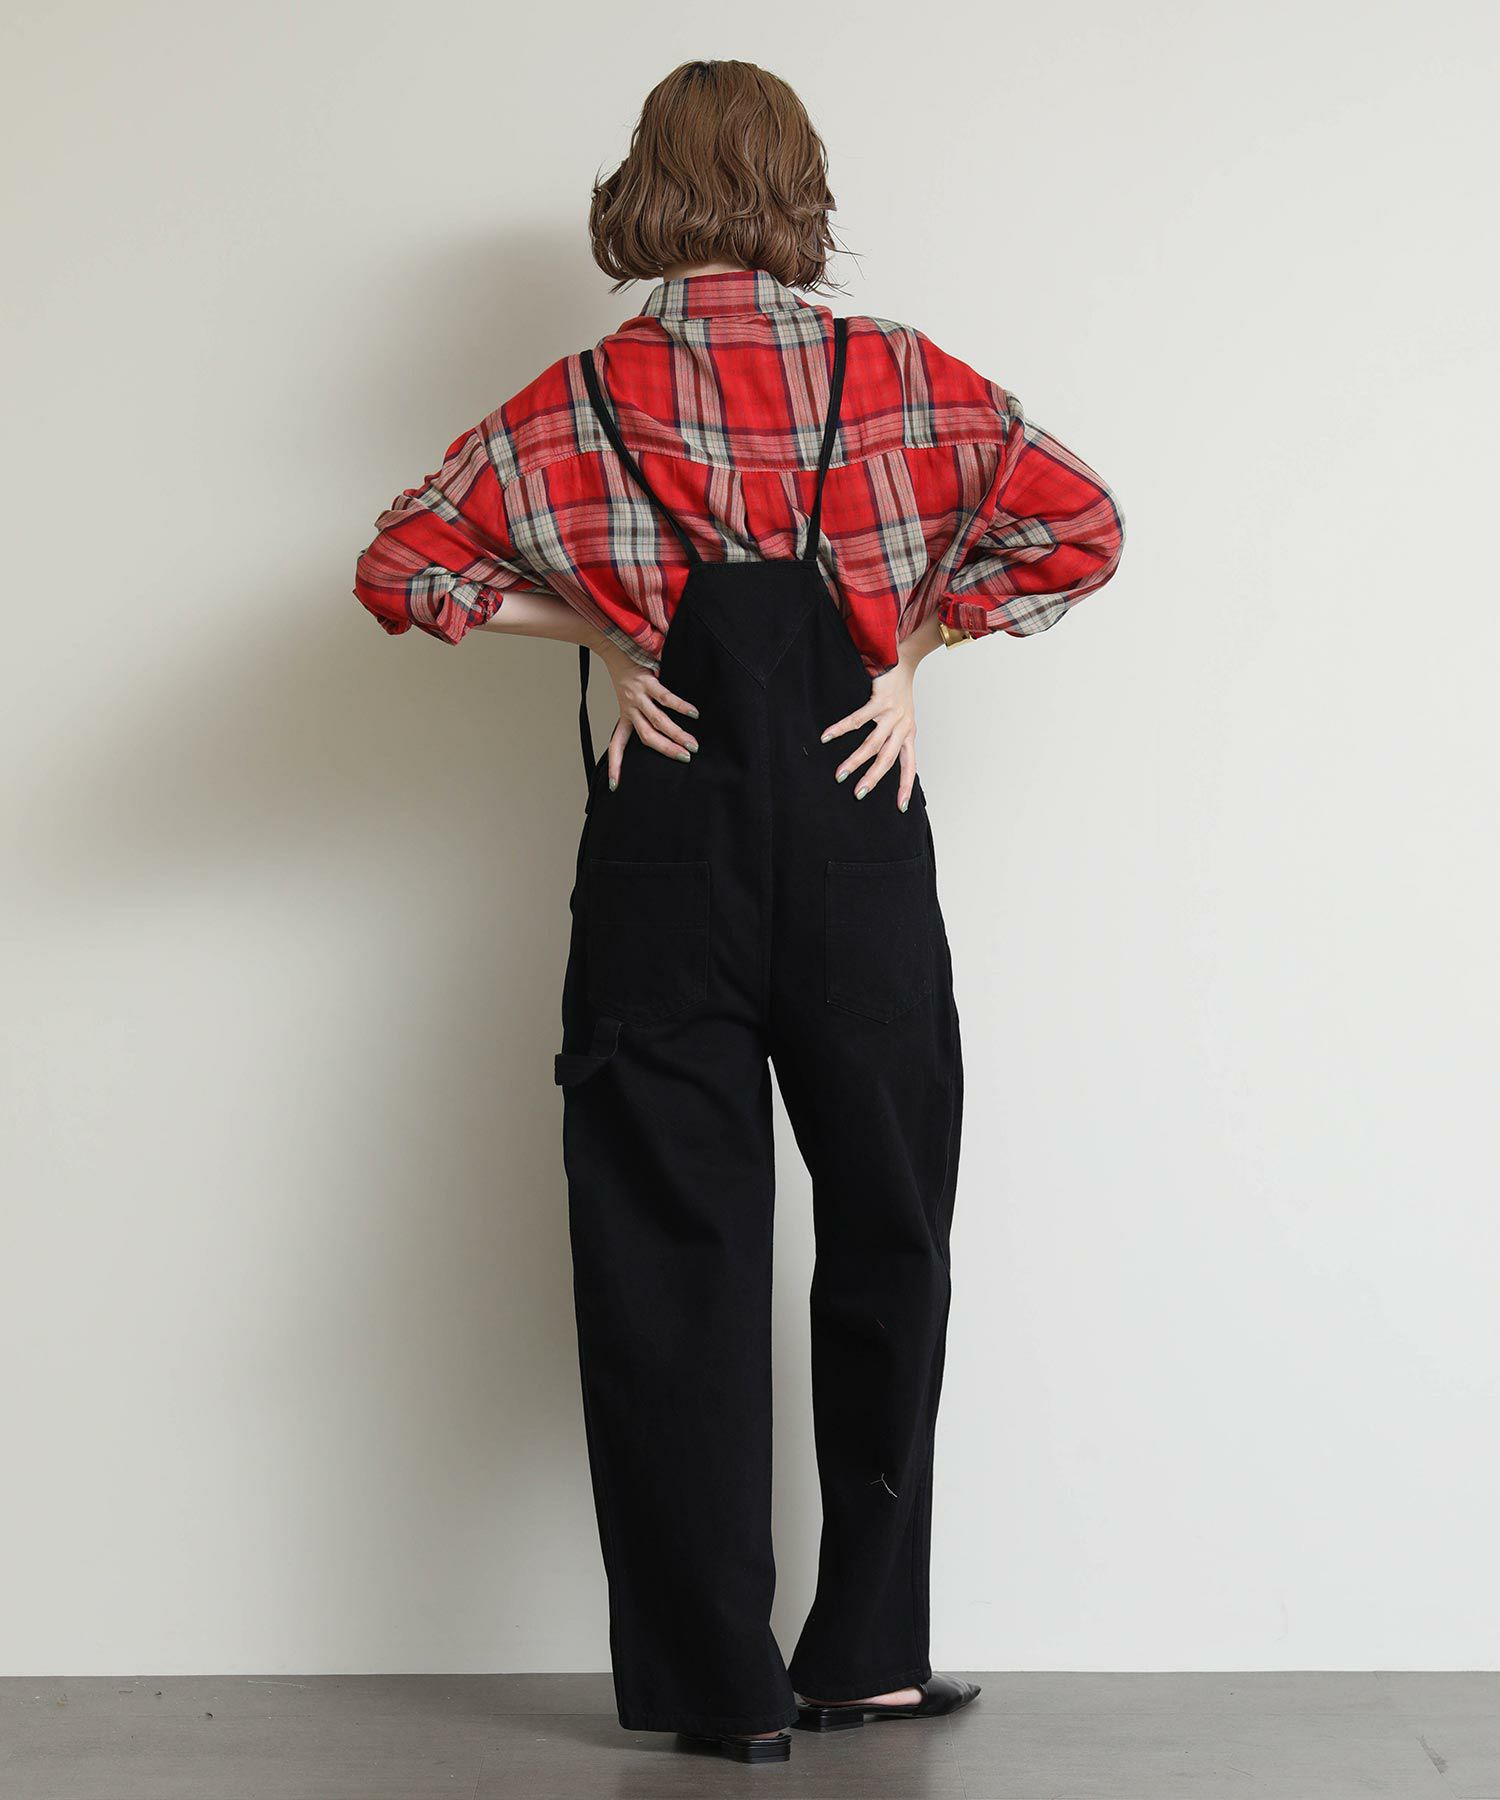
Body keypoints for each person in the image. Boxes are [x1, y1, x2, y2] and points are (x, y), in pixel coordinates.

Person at [352, 58, 1124, 1767]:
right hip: (860, 852)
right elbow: (1083, 526)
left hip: (663, 870)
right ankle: (865, 1656)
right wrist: (910, 650)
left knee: (668, 1261)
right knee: (893, 1241)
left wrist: (607, 629)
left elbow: (401, 565)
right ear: (797, 190)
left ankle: (717, 1688)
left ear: (647, 188)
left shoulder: (577, 398)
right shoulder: (895, 374)